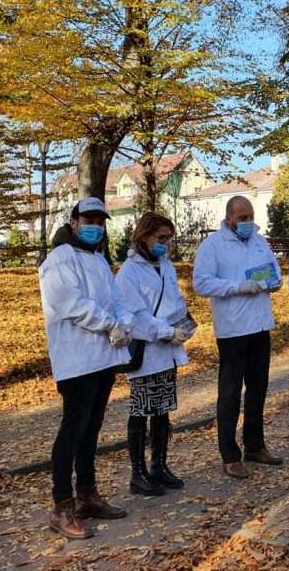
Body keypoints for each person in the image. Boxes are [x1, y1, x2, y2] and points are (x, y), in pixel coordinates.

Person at [39, 197, 162, 539]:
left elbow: (118, 300)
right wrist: (111, 324)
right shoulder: (59, 259)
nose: (95, 226)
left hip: (104, 357)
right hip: (77, 359)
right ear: (74, 222)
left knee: (91, 429)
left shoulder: (98, 260)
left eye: (100, 221)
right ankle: (62, 505)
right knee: (72, 430)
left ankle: (87, 494)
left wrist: (123, 323)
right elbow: (71, 305)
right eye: (89, 220)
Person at [193, 196, 284, 479]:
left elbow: (275, 273)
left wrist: (274, 282)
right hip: (233, 329)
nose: (247, 222)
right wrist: (238, 286)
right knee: (230, 394)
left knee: (258, 389)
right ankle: (230, 455)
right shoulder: (213, 245)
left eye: (250, 216)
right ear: (229, 218)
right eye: (242, 217)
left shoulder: (259, 242)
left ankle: (254, 446)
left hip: (260, 325)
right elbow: (201, 283)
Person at [114, 212, 194, 497]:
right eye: (161, 237)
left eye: (169, 238)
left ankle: (159, 465)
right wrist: (167, 331)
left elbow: (175, 300)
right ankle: (137, 473)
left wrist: (184, 325)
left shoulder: (165, 265)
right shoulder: (129, 272)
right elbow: (136, 315)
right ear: (144, 236)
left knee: (162, 409)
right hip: (147, 350)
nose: (166, 243)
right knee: (141, 410)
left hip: (168, 350)